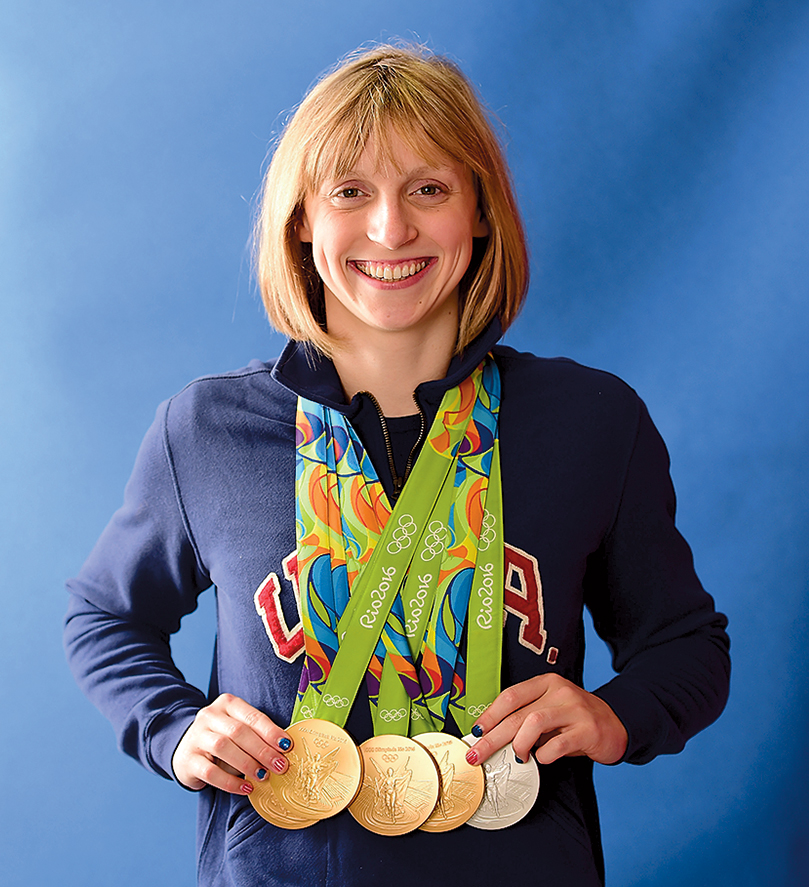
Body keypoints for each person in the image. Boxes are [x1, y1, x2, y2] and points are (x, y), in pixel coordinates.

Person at [64, 43, 730, 886]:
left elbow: (687, 643)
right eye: (351, 191)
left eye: (428, 188)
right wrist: (172, 726)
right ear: (301, 218)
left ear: (479, 211)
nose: (391, 229)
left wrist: (616, 715)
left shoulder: (592, 421)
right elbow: (103, 615)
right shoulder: (204, 429)